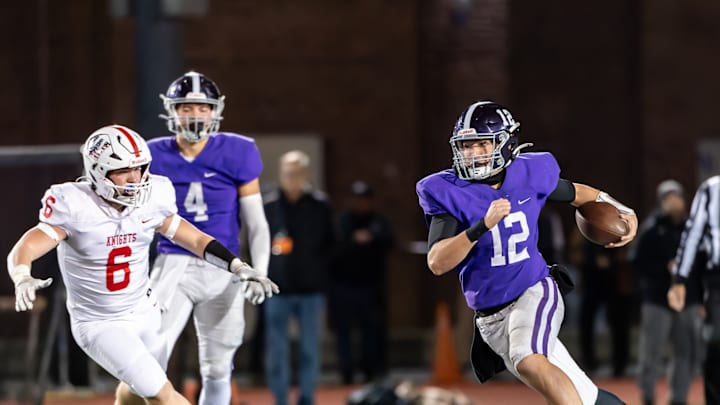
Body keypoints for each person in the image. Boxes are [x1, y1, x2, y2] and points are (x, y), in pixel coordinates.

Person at [6, 125, 278, 405]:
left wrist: (238, 266)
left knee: (135, 391)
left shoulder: (155, 195)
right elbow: (27, 245)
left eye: (139, 168)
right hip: (101, 323)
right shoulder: (74, 203)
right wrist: (22, 274)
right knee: (163, 395)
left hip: (146, 313)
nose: (135, 178)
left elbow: (195, 239)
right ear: (98, 171)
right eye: (124, 170)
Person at [415, 101, 637, 404]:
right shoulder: (446, 191)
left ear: (507, 144)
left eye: (483, 144)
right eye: (467, 146)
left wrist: (623, 209)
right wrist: (480, 227)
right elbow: (437, 262)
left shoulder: (528, 173)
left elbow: (577, 194)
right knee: (585, 395)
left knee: (529, 358)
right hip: (491, 318)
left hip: (533, 290)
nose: (474, 154)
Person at [147, 71, 271, 405]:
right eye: (187, 107)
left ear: (215, 111)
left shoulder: (237, 151)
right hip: (175, 261)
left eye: (202, 108)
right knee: (150, 352)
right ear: (171, 111)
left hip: (224, 264)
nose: (195, 115)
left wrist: (258, 269)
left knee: (218, 368)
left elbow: (256, 221)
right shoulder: (150, 155)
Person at [263, 150, 335, 405]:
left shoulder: (320, 206)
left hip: (311, 289)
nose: (291, 178)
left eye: (296, 173)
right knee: (277, 350)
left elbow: (331, 244)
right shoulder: (269, 206)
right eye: (287, 173)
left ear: (305, 174)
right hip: (277, 288)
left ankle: (307, 397)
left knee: (309, 349)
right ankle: (280, 398)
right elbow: (258, 244)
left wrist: (321, 275)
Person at [632, 180, 703, 405]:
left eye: (677, 197)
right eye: (668, 198)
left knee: (687, 353)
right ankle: (648, 397)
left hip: (687, 300)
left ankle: (678, 398)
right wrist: (663, 267)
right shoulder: (652, 229)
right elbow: (636, 261)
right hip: (657, 300)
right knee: (651, 353)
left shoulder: (692, 229)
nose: (673, 202)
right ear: (661, 202)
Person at [329, 180, 394, 384]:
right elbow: (333, 250)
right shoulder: (342, 222)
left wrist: (372, 237)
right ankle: (346, 372)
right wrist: (353, 241)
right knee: (344, 333)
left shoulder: (379, 222)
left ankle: (371, 371)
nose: (361, 204)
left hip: (371, 287)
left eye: (365, 200)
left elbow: (390, 242)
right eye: (358, 200)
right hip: (344, 286)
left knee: (372, 331)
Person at [668, 175, 720, 405]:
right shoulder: (712, 189)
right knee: (717, 345)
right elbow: (692, 234)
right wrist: (680, 279)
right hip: (718, 279)